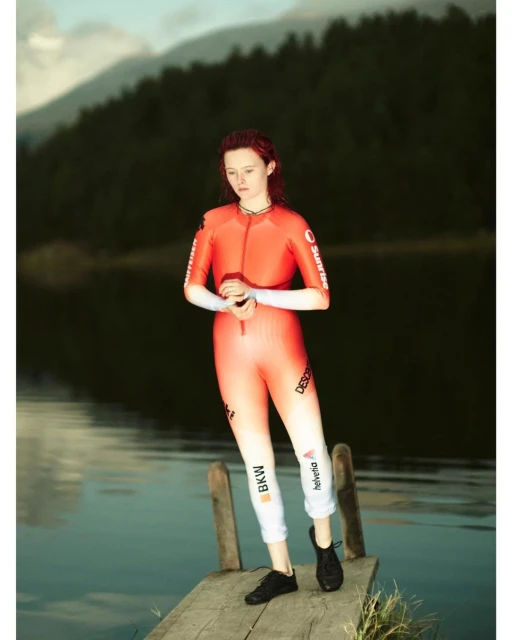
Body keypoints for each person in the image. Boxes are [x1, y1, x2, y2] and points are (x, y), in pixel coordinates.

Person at [183, 129, 343, 604]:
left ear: (270, 167)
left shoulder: (292, 225)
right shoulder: (213, 221)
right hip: (232, 354)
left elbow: (321, 297)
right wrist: (223, 304)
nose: (240, 180)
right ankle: (280, 569)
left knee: (311, 451)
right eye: (231, 172)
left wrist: (259, 295)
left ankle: (324, 546)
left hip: (283, 350)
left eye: (249, 170)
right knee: (257, 464)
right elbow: (191, 288)